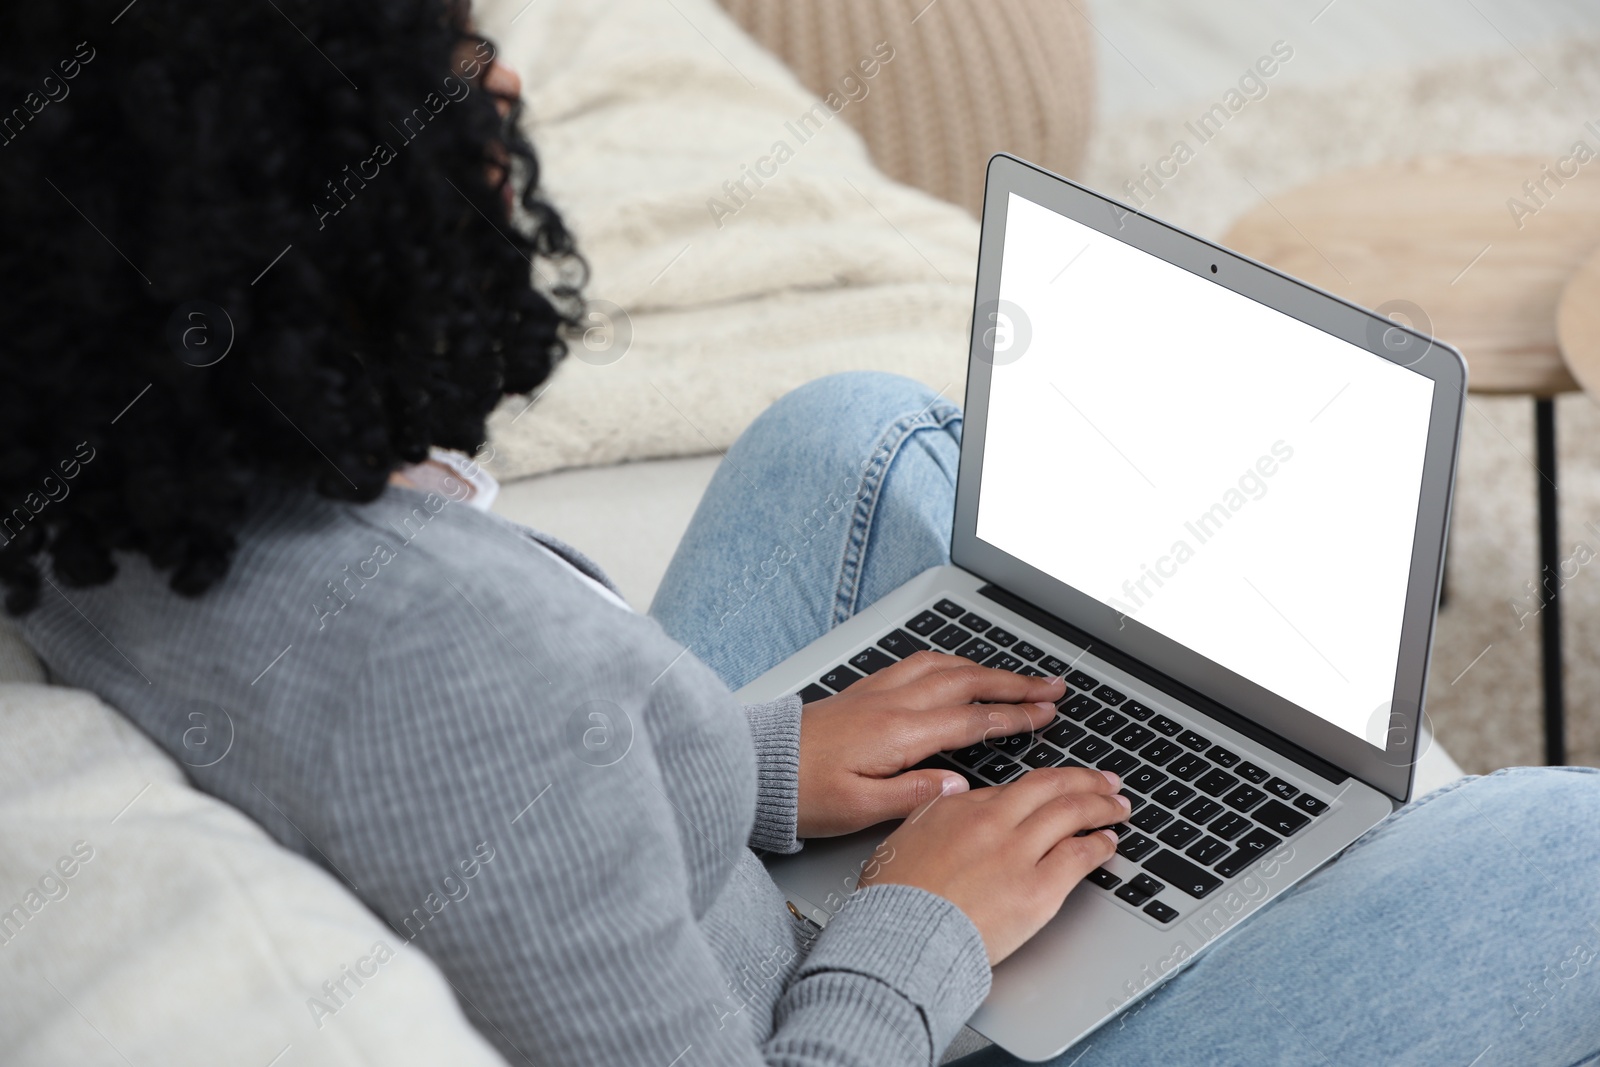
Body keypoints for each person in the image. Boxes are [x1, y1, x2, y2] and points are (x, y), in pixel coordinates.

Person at [2, 3, 1597, 1065]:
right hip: (844, 1010)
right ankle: (1264, 858)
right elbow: (508, 762)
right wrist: (925, 925)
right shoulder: (479, 683)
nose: (501, 84)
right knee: (1560, 859)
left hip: (687, 878)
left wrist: (753, 760)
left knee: (857, 429)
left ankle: (1211, 784)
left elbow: (505, 830)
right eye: (446, 78)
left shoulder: (113, 499)